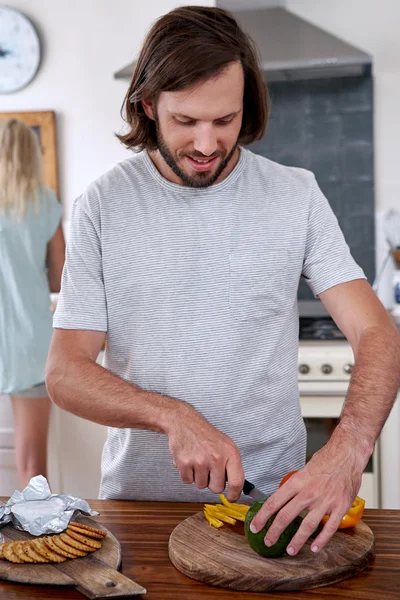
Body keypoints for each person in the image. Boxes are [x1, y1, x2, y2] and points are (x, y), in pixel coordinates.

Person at [46, 6, 400, 556]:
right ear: (148, 104)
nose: (208, 144)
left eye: (225, 120)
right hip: (145, 510)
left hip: (276, 509)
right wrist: (173, 416)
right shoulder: (102, 206)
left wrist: (348, 450)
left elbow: (377, 333)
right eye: (186, 121)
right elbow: (65, 373)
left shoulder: (296, 195)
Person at [0, 118, 65, 489]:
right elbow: (61, 278)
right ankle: (34, 544)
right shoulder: (43, 201)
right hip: (30, 343)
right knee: (31, 468)